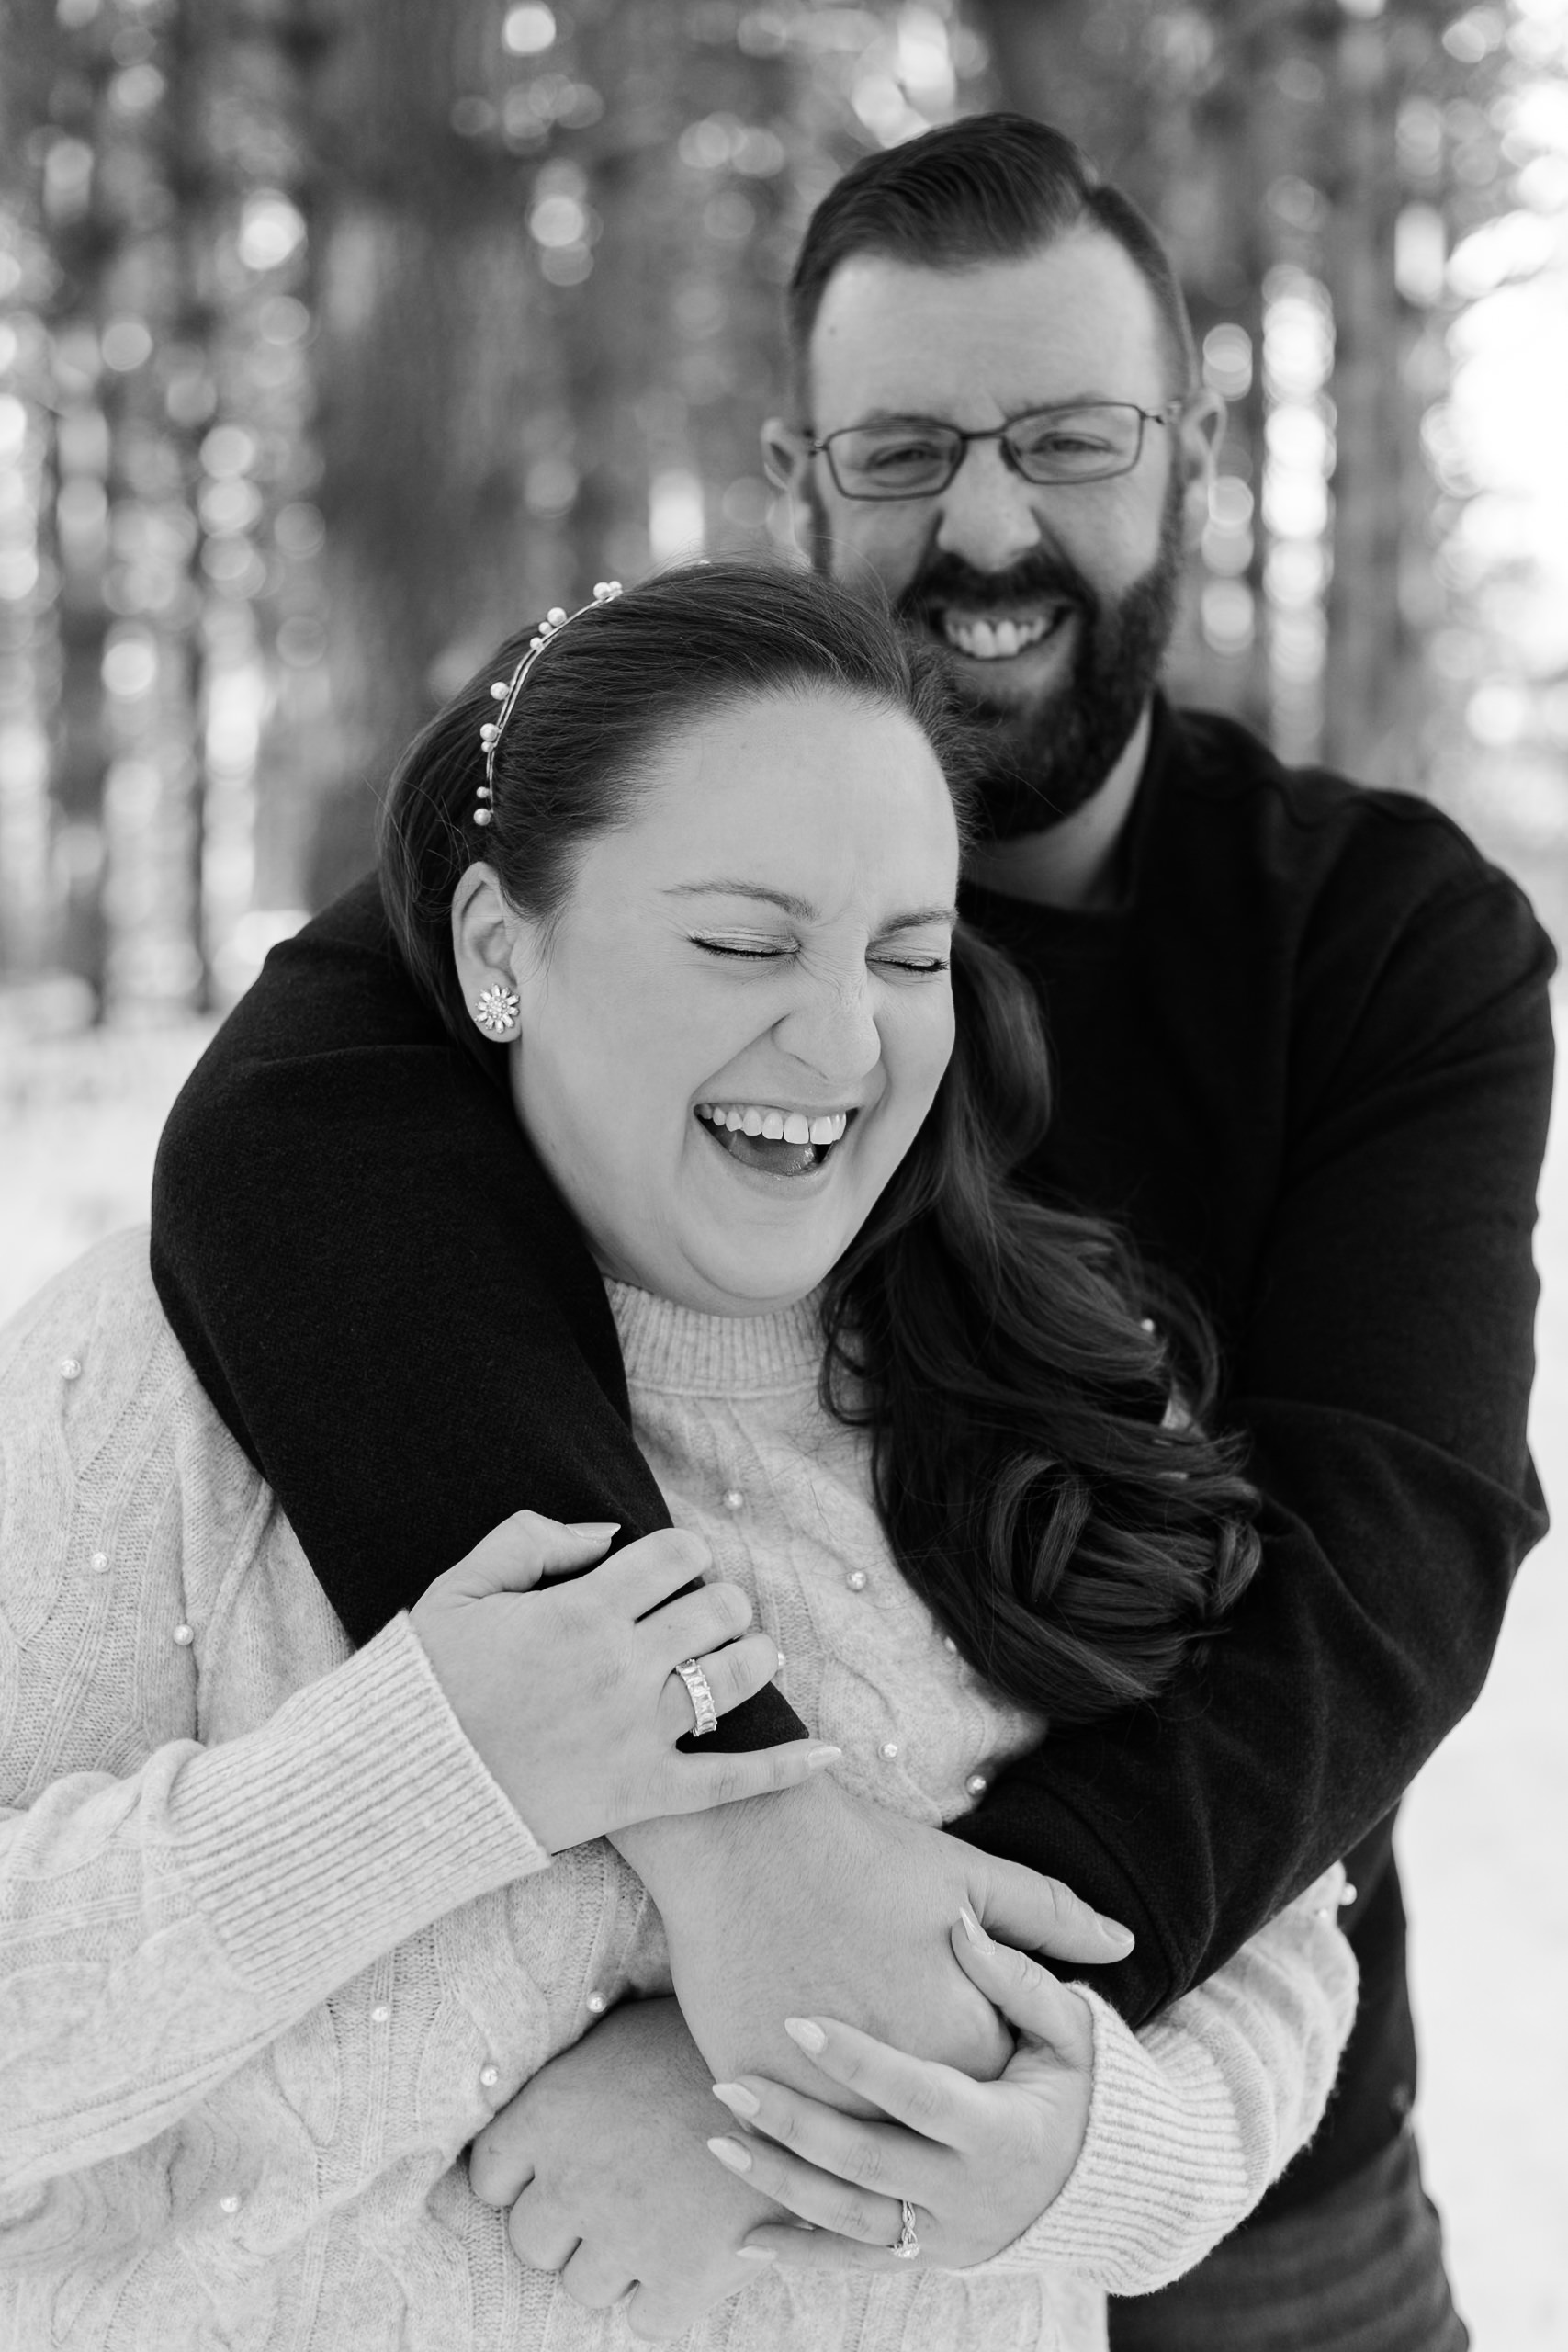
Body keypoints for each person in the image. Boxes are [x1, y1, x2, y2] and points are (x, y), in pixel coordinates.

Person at [148, 115, 1555, 2349]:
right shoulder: (632, 791)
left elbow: (1390, 1542)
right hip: (588, 2170)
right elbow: (287, 1134)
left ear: (1184, 457)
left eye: (1070, 440)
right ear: (796, 472)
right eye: (904, 449)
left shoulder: (1382, 936)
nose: (987, 525)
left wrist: (818, 2033)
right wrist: (728, 1825)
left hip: (1187, 2122)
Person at [0, 563, 1356, 2350]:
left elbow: (1281, 1938)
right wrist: (420, 1769)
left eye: (905, 951)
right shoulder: (160, 1380)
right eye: (742, 939)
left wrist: (1079, 2155)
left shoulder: (1043, 1382)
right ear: (501, 945)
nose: (845, 1038)